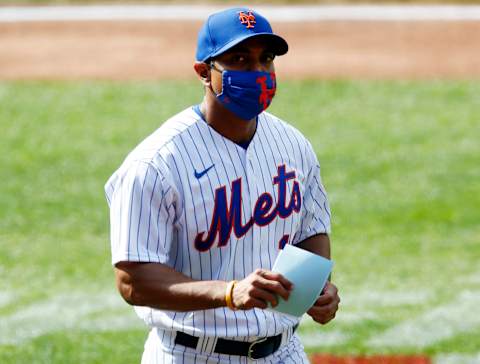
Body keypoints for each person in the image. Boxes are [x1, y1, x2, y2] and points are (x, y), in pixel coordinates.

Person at [105, 7, 340, 363]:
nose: (257, 72)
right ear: (204, 72)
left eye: (266, 59)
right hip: (192, 353)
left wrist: (314, 291)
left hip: (285, 351)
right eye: (240, 60)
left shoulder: (294, 145)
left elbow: (312, 232)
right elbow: (132, 281)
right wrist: (229, 293)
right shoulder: (155, 164)